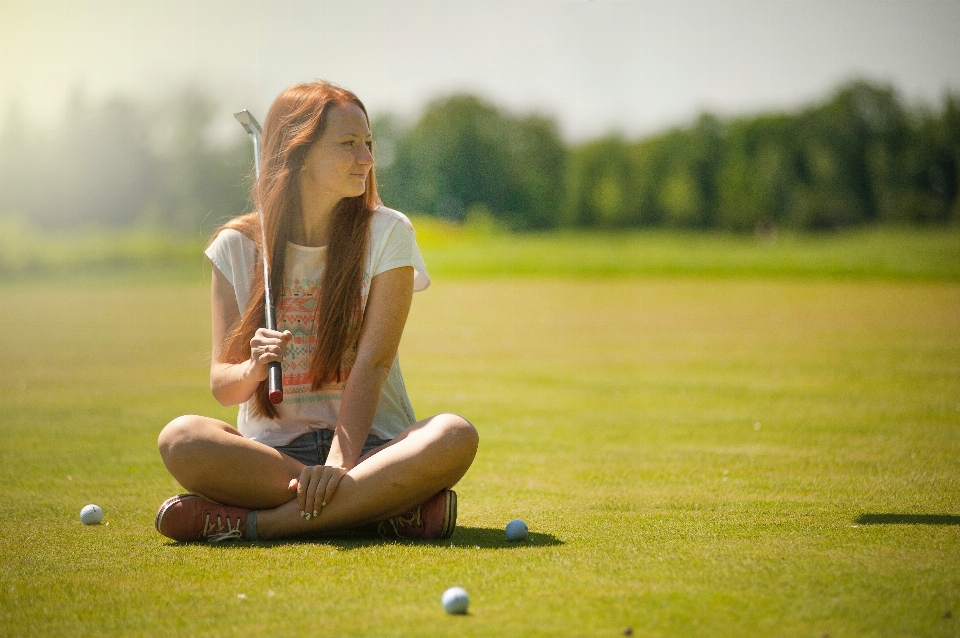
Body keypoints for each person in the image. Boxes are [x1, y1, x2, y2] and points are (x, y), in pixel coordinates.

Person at [154, 81, 479, 543]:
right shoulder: (237, 246)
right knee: (180, 439)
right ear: (298, 153)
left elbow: (373, 365)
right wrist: (253, 366)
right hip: (273, 458)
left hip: (371, 450)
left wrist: (338, 467)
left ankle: (253, 525)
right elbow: (223, 387)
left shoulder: (389, 233)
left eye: (368, 144)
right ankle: (380, 512)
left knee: (454, 434)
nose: (366, 159)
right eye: (348, 145)